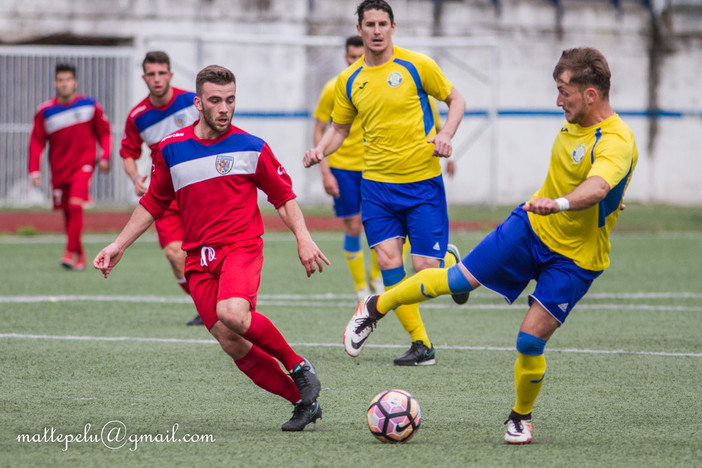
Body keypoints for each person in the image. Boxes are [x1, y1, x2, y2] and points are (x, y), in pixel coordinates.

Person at [343, 47, 638, 444]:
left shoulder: (616, 138)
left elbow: (599, 184)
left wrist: (564, 202)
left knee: (530, 340)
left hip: (576, 259)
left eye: (563, 91)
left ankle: (520, 417)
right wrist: (571, 202)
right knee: (457, 281)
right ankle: (375, 307)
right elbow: (598, 182)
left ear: (590, 94)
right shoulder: (575, 121)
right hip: (530, 228)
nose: (557, 100)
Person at [95, 65, 330, 431]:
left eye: (230, 100)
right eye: (216, 100)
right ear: (198, 103)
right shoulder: (172, 149)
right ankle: (302, 402)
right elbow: (154, 203)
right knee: (230, 340)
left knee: (233, 314)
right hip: (198, 259)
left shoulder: (251, 147)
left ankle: (299, 365)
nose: (224, 108)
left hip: (241, 247)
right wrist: (118, 244)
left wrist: (303, 237)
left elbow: (283, 198)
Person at [304, 0, 468, 366]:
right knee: (389, 263)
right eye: (369, 24)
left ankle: (448, 263)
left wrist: (446, 134)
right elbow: (340, 128)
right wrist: (320, 150)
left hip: (422, 183)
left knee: (426, 271)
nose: (376, 30)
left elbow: (457, 99)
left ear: (394, 27)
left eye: (382, 23)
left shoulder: (416, 65)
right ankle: (421, 344)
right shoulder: (349, 81)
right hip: (376, 186)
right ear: (359, 29)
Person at [120, 51, 202, 325]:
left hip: (196, 190)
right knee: (173, 253)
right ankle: (206, 307)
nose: (157, 79)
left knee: (209, 251)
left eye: (161, 73)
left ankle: (222, 302)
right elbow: (128, 154)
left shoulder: (192, 102)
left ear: (170, 75)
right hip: (164, 195)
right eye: (151, 74)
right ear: (144, 78)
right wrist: (135, 178)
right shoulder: (138, 116)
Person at [312, 35, 385, 300]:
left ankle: (378, 278)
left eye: (359, 56)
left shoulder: (379, 83)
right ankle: (360, 288)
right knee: (353, 226)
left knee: (381, 225)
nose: (355, 61)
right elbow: (319, 129)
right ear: (346, 57)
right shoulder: (334, 87)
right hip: (343, 167)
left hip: (375, 165)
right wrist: (325, 171)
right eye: (351, 57)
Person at [29, 63, 112, 270]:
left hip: (83, 166)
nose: (64, 84)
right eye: (60, 80)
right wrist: (34, 169)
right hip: (59, 169)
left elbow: (104, 132)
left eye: (68, 80)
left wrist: (105, 156)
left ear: (74, 82)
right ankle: (81, 256)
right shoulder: (45, 110)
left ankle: (68, 253)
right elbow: (37, 141)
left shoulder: (90, 105)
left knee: (76, 206)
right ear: (55, 83)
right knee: (67, 212)